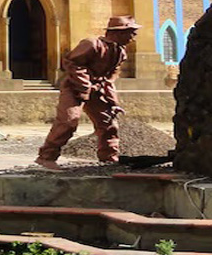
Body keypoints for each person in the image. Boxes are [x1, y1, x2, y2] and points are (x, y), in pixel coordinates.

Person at [35, 15, 140, 170]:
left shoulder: (120, 52)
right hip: (75, 87)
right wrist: (85, 86)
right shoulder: (91, 44)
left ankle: (109, 158)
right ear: (118, 33)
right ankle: (46, 157)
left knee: (109, 124)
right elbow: (72, 62)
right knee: (69, 121)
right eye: (131, 32)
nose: (133, 37)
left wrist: (113, 102)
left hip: (98, 89)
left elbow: (110, 79)